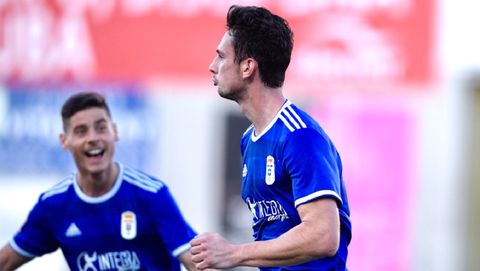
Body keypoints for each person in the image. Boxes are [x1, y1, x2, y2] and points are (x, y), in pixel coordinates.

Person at [190, 5, 352, 271]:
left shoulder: (300, 137)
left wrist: (235, 253)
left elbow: (324, 236)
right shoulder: (249, 140)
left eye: (221, 57)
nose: (212, 66)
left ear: (247, 67)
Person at [0, 92, 198, 271]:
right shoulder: (53, 206)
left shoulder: (151, 195)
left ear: (115, 132)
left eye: (101, 128)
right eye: (81, 131)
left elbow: (197, 263)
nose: (93, 138)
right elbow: (6, 261)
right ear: (64, 141)